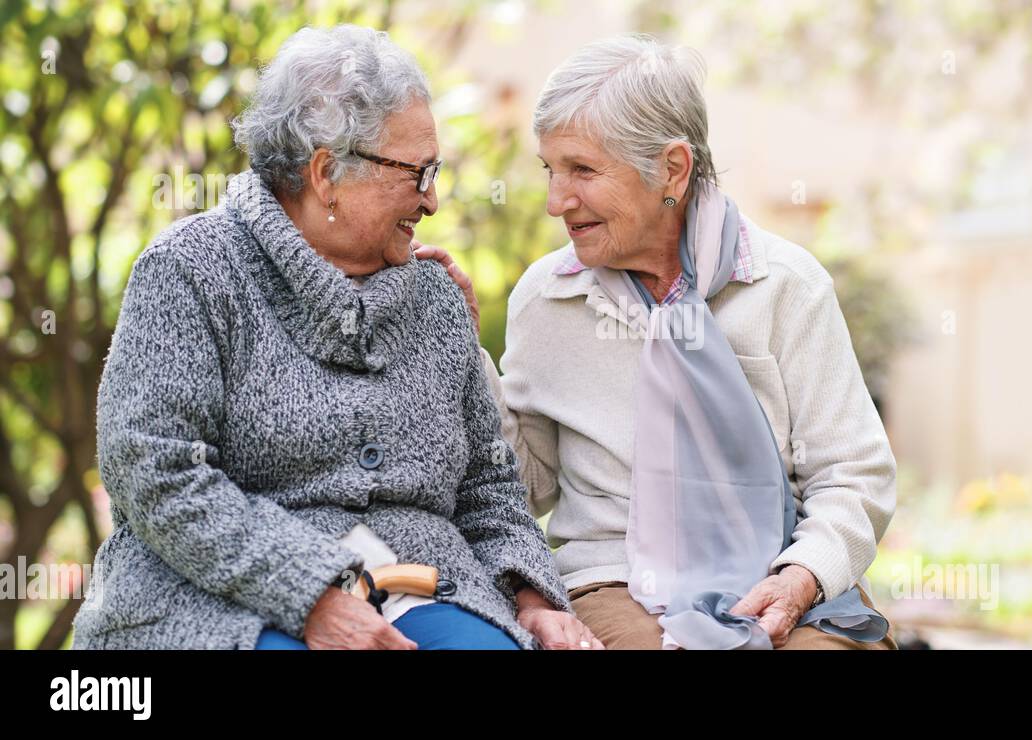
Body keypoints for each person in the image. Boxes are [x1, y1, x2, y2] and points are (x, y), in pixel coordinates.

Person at [72, 24, 601, 651]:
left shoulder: (432, 296)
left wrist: (533, 599)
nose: (432, 199)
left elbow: (488, 484)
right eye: (418, 173)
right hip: (226, 594)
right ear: (327, 174)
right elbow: (157, 474)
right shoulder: (189, 272)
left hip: (427, 583)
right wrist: (311, 594)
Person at [422, 34, 899, 649]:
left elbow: (852, 473)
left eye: (583, 170)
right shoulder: (547, 299)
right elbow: (524, 485)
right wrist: (464, 352)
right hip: (614, 580)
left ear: (671, 169)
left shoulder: (786, 287)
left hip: (782, 572)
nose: (555, 202)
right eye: (550, 169)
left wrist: (801, 577)